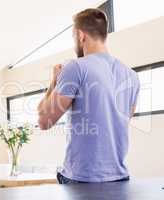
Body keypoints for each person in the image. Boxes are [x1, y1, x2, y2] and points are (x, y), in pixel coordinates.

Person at [37, 8, 140, 184]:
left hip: (83, 180)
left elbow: (44, 121)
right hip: (120, 178)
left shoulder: (76, 67)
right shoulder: (131, 75)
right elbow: (120, 121)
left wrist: (54, 82)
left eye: (72, 37)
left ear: (80, 35)